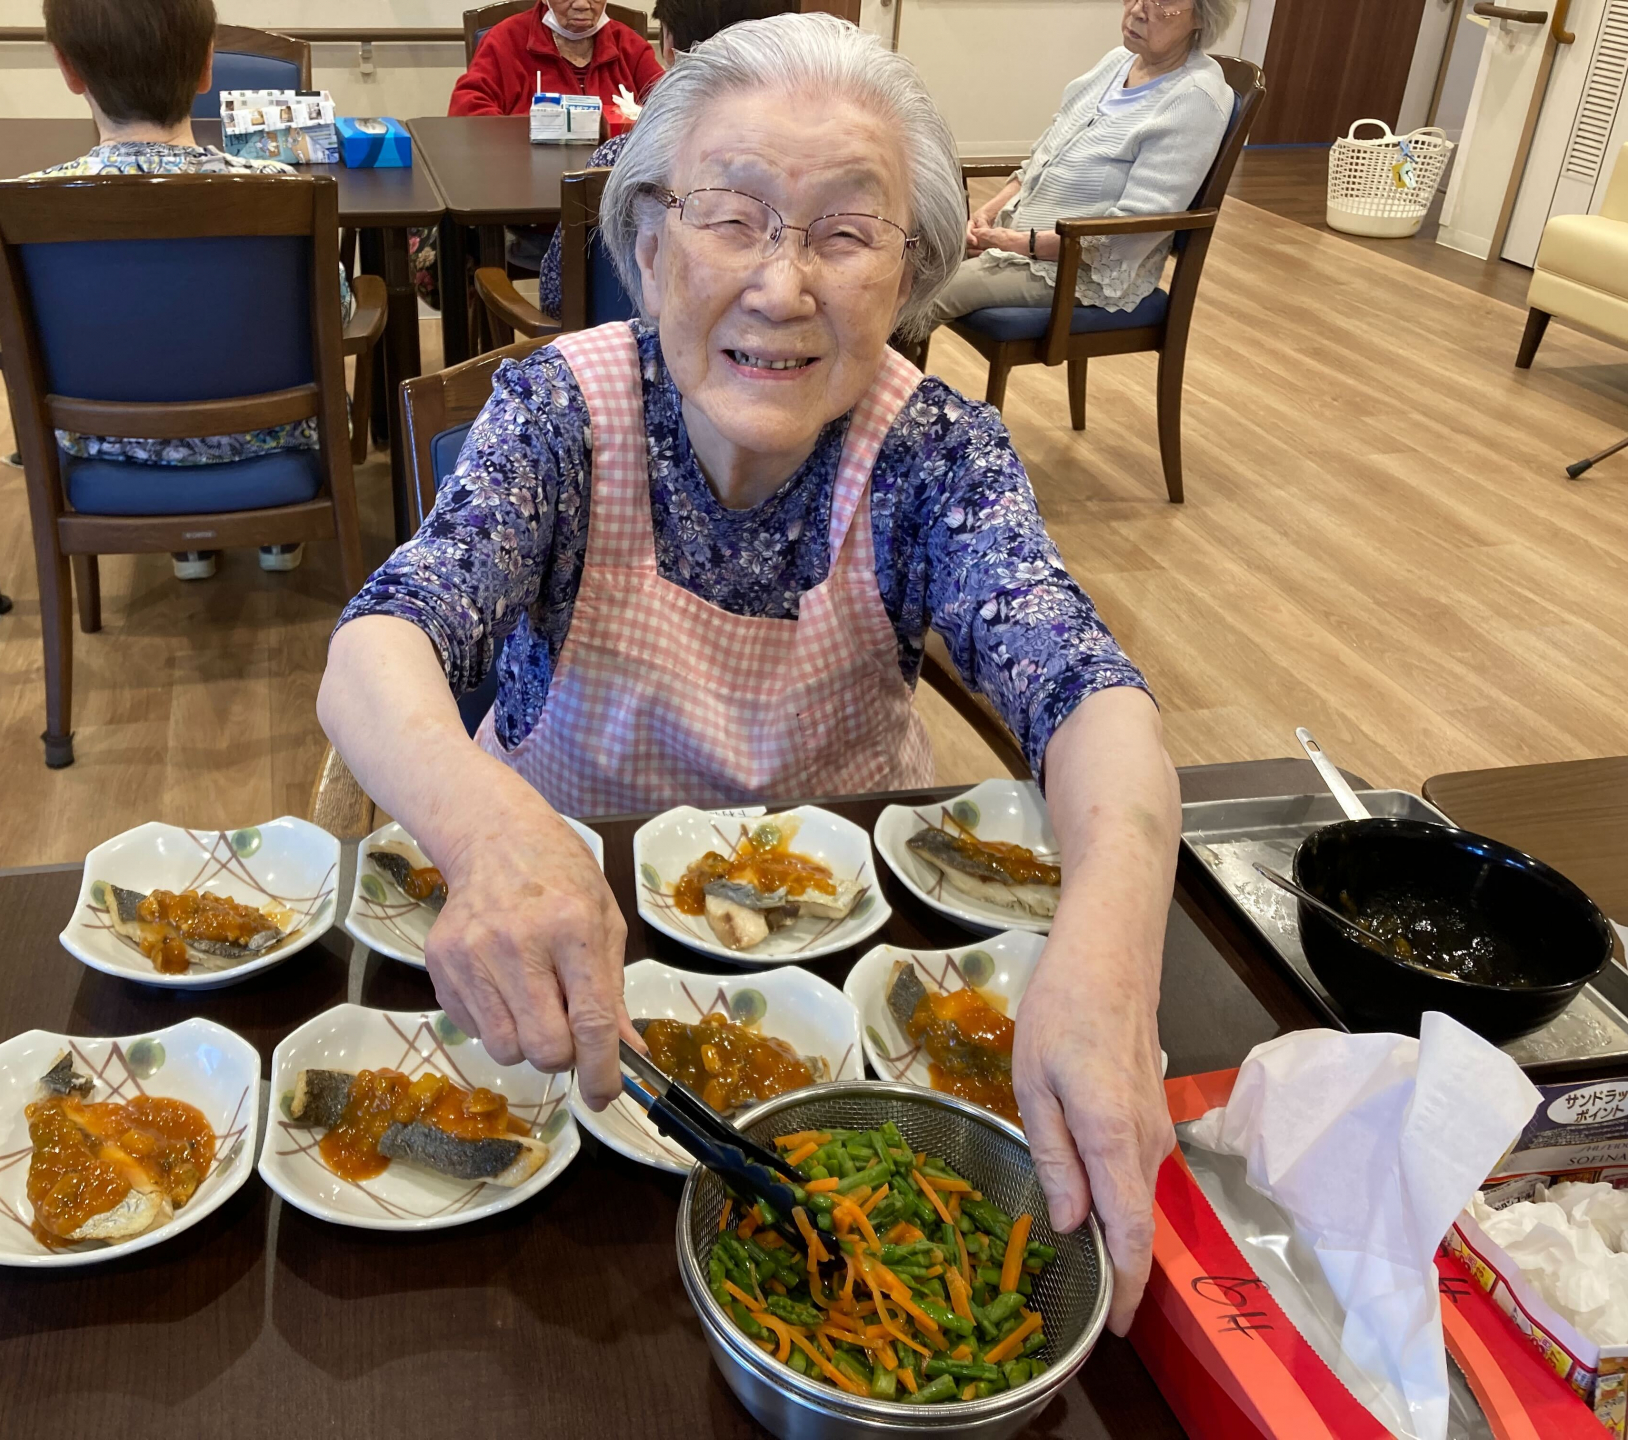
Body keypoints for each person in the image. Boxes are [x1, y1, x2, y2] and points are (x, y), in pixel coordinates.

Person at [320, 13, 1182, 1333]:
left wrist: (1112, 963)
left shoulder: (935, 453)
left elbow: (1089, 693)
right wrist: (490, 832)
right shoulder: (560, 415)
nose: (783, 288)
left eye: (845, 233)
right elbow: (380, 643)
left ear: (910, 274)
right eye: (733, 217)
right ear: (649, 243)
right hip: (560, 958)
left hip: (842, 973)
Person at [28, 0, 355, 582]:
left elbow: (16, 333)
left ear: (67, 68)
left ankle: (187, 546)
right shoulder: (281, 189)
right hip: (271, 446)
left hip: (111, 452)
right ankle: (276, 530)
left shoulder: (32, 202)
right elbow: (339, 310)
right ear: (208, 67)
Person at [929, 0, 1239, 324]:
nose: (1137, 10)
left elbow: (1130, 232)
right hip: (1016, 241)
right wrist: (987, 215)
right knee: (907, 258)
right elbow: (1041, 157)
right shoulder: (1117, 62)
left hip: (1078, 271)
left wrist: (1020, 244)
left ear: (1202, 16)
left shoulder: (1195, 99)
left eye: (1161, 2)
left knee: (921, 295)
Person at [535, 0, 789, 320]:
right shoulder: (816, 165)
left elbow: (556, 294)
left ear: (670, 46)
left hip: (636, 339)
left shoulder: (619, 159)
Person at [450, 0, 666, 117]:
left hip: (613, 177)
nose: (582, 4)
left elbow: (671, 107)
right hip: (526, 171)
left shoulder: (630, 45)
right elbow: (467, 109)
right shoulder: (506, 39)